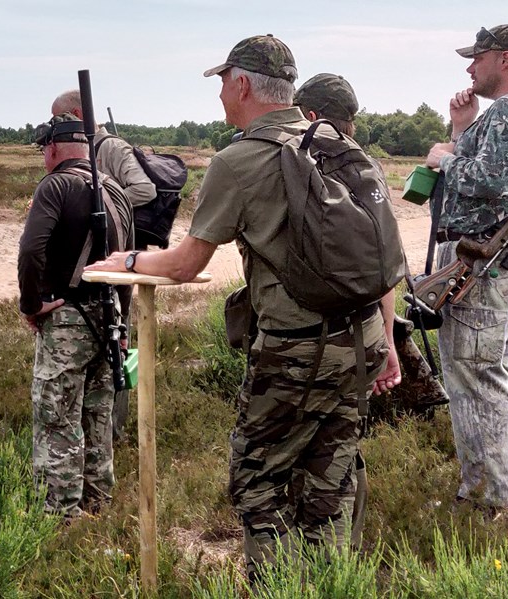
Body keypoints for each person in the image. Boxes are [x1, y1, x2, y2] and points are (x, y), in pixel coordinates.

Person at [87, 34, 397, 581]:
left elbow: (185, 264)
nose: (221, 98)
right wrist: (389, 342)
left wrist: (131, 260)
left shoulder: (239, 160)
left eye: (224, 84)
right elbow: (381, 260)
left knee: (258, 479)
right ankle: (327, 586)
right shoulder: (331, 143)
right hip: (362, 337)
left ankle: (279, 588)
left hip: (297, 353)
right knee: (331, 476)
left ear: (245, 84)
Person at [424, 24, 508, 514]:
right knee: (483, 374)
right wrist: (462, 128)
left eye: (477, 58)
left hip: (481, 263)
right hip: (486, 260)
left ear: (505, 59)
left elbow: (487, 182)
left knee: (477, 378)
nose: (469, 67)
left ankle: (490, 499)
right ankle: (498, 488)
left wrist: (444, 157)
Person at [293, 72, 402, 548]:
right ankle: (338, 560)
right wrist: (389, 343)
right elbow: (387, 268)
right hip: (362, 335)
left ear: (311, 116)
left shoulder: (297, 164)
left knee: (284, 459)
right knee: (339, 455)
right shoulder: (368, 169)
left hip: (300, 343)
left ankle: (290, 570)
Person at [18, 113, 130, 520]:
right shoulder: (116, 192)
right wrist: (124, 327)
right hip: (109, 320)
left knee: (57, 419)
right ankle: (98, 507)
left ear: (52, 149)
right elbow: (127, 268)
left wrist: (31, 304)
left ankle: (60, 516)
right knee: (98, 417)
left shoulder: (55, 185)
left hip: (67, 320)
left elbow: (31, 251)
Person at [52, 90, 156, 442]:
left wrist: (104, 198)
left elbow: (146, 189)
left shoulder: (111, 149)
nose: (57, 129)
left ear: (79, 114)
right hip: (93, 267)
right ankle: (91, 430)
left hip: (118, 265)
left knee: (118, 346)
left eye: (61, 120)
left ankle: (114, 430)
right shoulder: (85, 153)